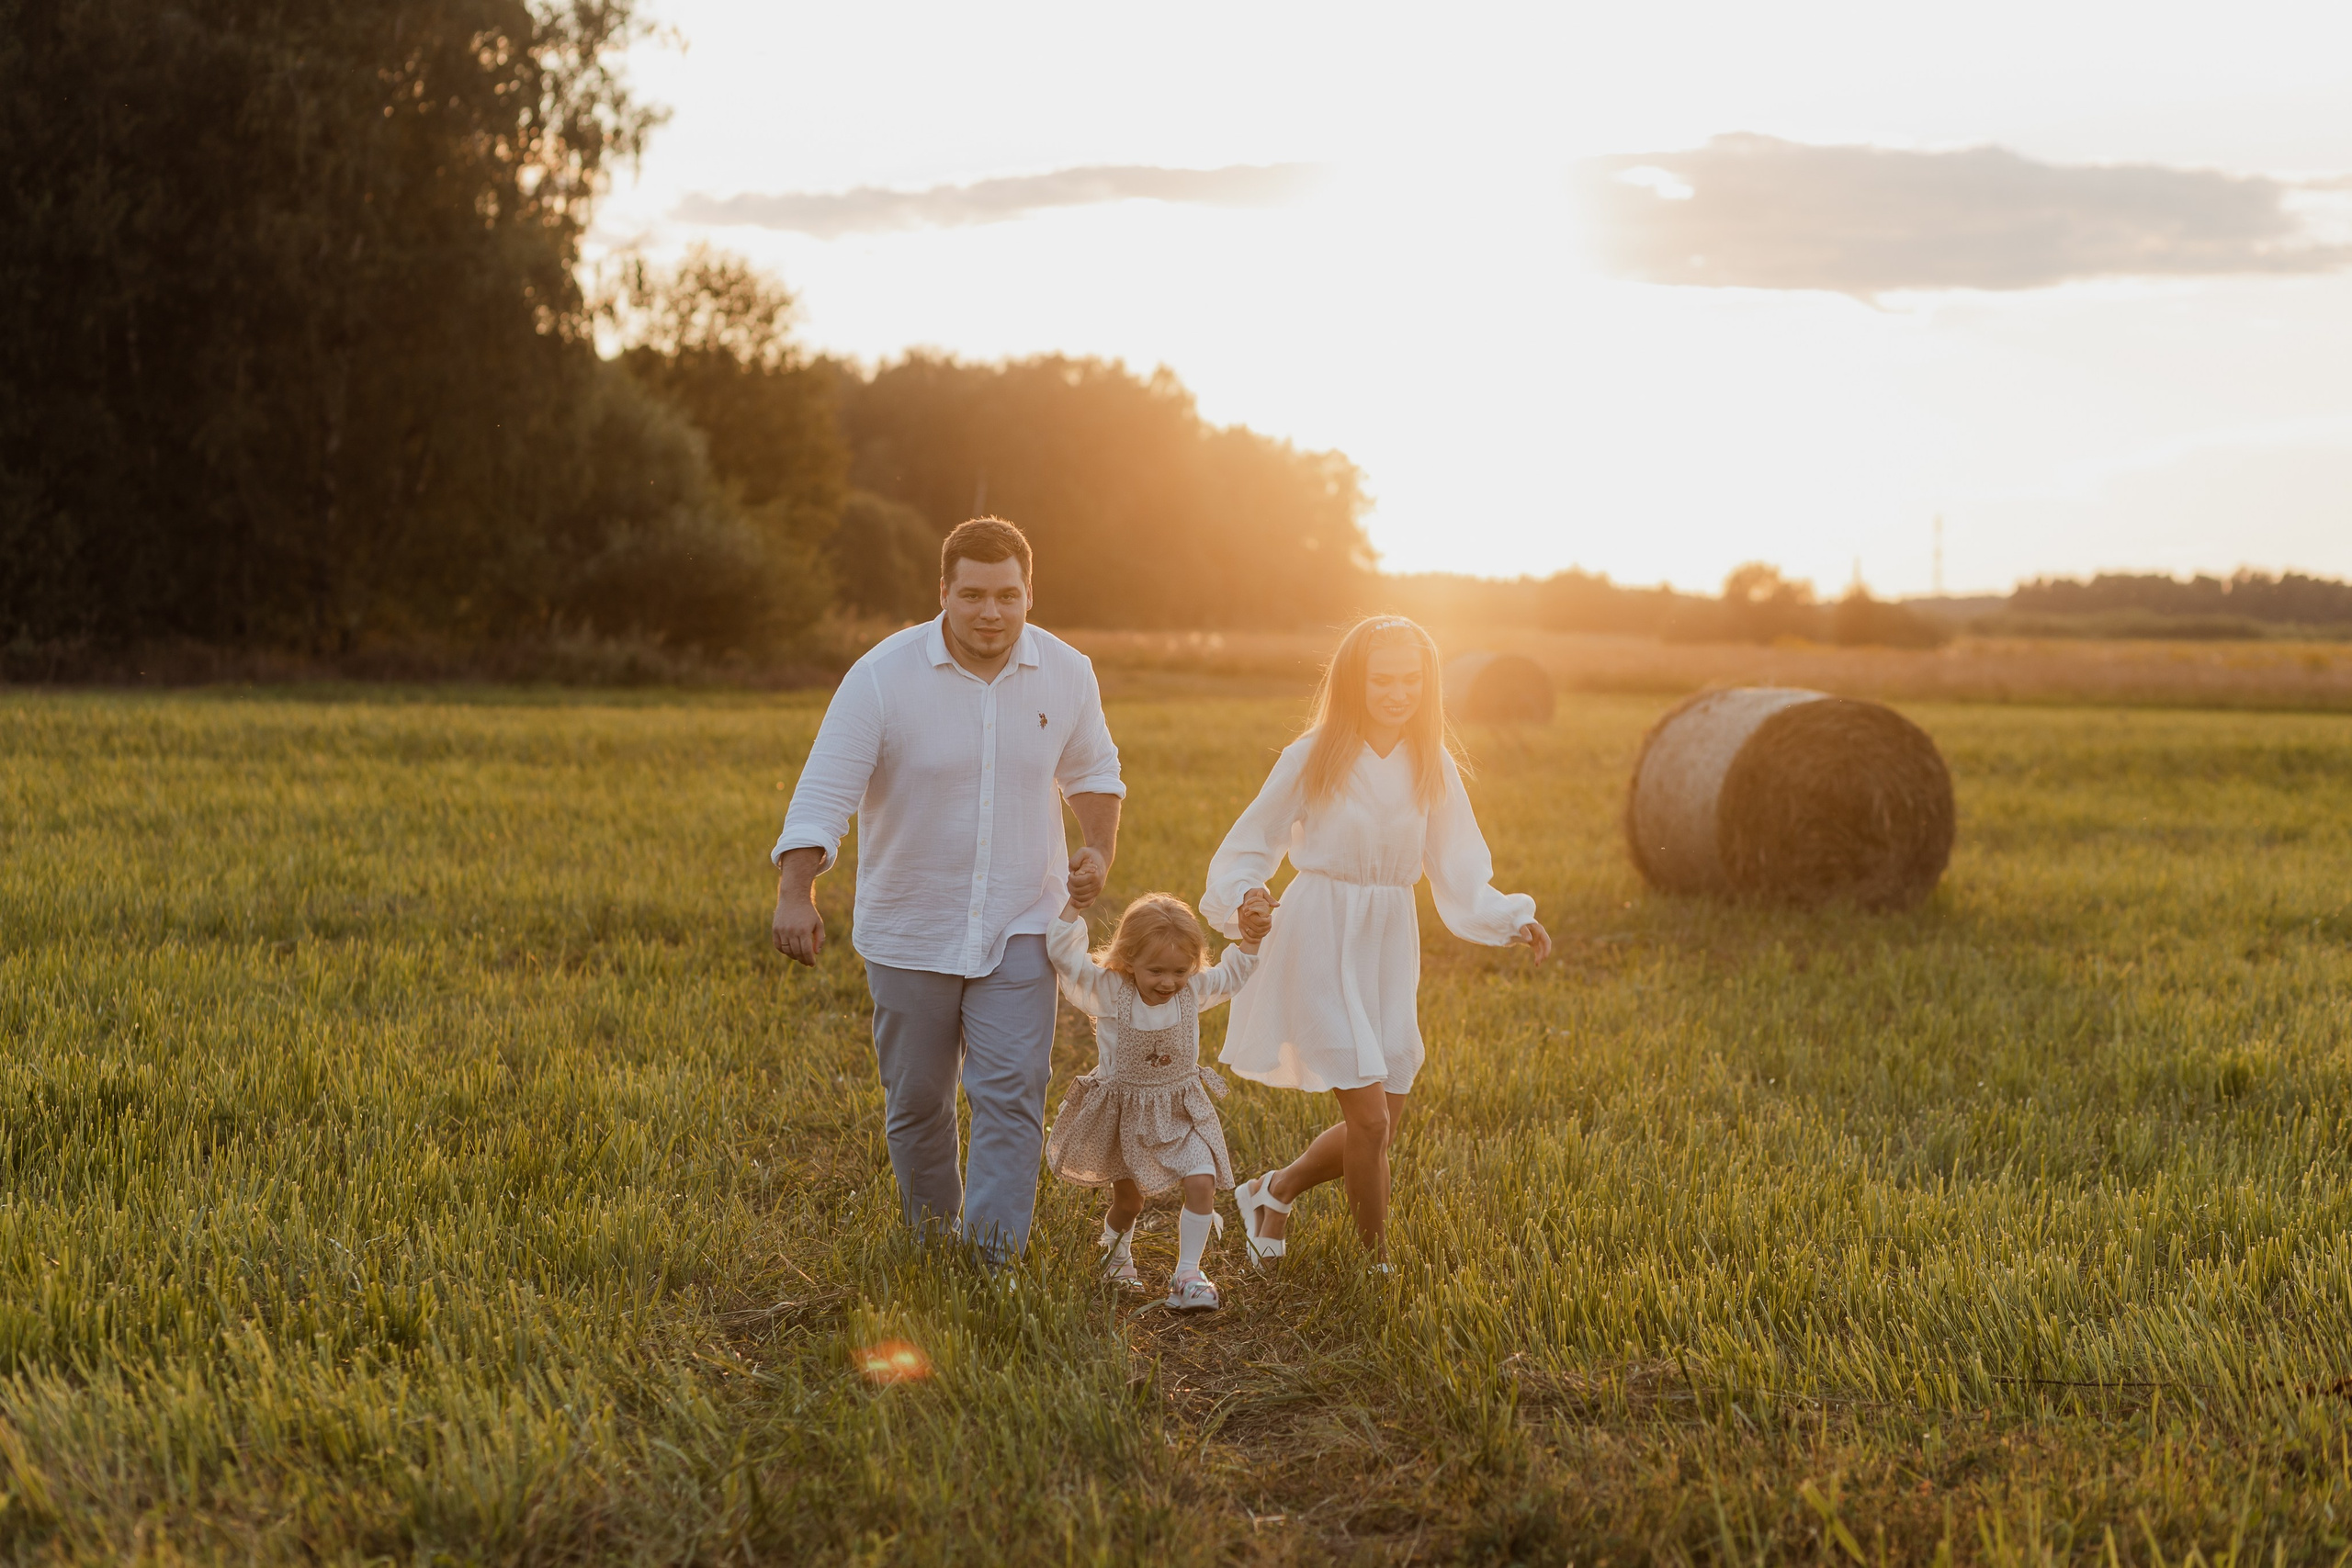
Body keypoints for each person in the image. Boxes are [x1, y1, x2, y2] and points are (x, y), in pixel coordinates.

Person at [771, 517, 1124, 1265]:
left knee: (1012, 1093)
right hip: (910, 923)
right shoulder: (882, 675)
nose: (990, 612)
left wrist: (1096, 848)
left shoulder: (1067, 672)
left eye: (1006, 594)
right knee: (918, 1102)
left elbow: (1094, 773)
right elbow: (824, 791)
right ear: (943, 592)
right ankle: (932, 1243)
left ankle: (992, 1263)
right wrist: (796, 891)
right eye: (972, 595)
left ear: (1030, 592)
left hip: (1023, 918)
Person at [1202, 615, 1551, 1269]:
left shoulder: (1432, 761)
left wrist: (1507, 916)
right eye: (1382, 679)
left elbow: (1459, 862)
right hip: (1320, 929)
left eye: (1411, 679)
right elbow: (1250, 842)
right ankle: (1375, 1264)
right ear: (1353, 681)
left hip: (1389, 939)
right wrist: (1245, 896)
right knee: (1370, 1121)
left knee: (1385, 1118)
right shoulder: (1314, 753)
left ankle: (1272, 1191)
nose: (1398, 692)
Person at [1042, 892, 1272, 1312]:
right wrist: (1073, 905)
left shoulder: (1192, 990)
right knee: (1130, 1201)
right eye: (1156, 971)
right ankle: (1116, 1253)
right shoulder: (1111, 990)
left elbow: (1232, 976)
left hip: (1181, 1109)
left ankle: (1188, 1274)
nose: (1168, 982)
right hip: (1125, 1113)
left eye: (1180, 971)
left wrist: (1252, 938)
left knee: (1202, 1181)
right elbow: (1067, 961)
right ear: (1128, 961)